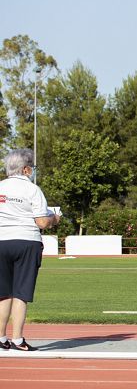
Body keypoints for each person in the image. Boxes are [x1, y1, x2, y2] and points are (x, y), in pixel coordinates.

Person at [0, 149, 60, 352]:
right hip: (26, 241)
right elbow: (42, 222)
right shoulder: (32, 189)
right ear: (25, 169)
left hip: (1, 241)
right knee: (20, 293)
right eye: (32, 167)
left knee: (3, 293)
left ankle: (1, 337)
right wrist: (55, 218)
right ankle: (17, 339)